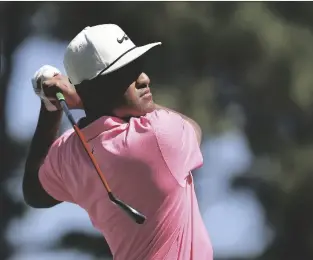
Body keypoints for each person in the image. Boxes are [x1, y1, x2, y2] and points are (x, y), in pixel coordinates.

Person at [22, 24, 213, 260]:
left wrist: (51, 107)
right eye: (127, 73)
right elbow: (193, 128)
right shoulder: (159, 135)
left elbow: (34, 193)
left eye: (139, 69)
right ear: (96, 89)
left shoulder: (68, 154)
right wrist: (82, 102)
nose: (144, 79)